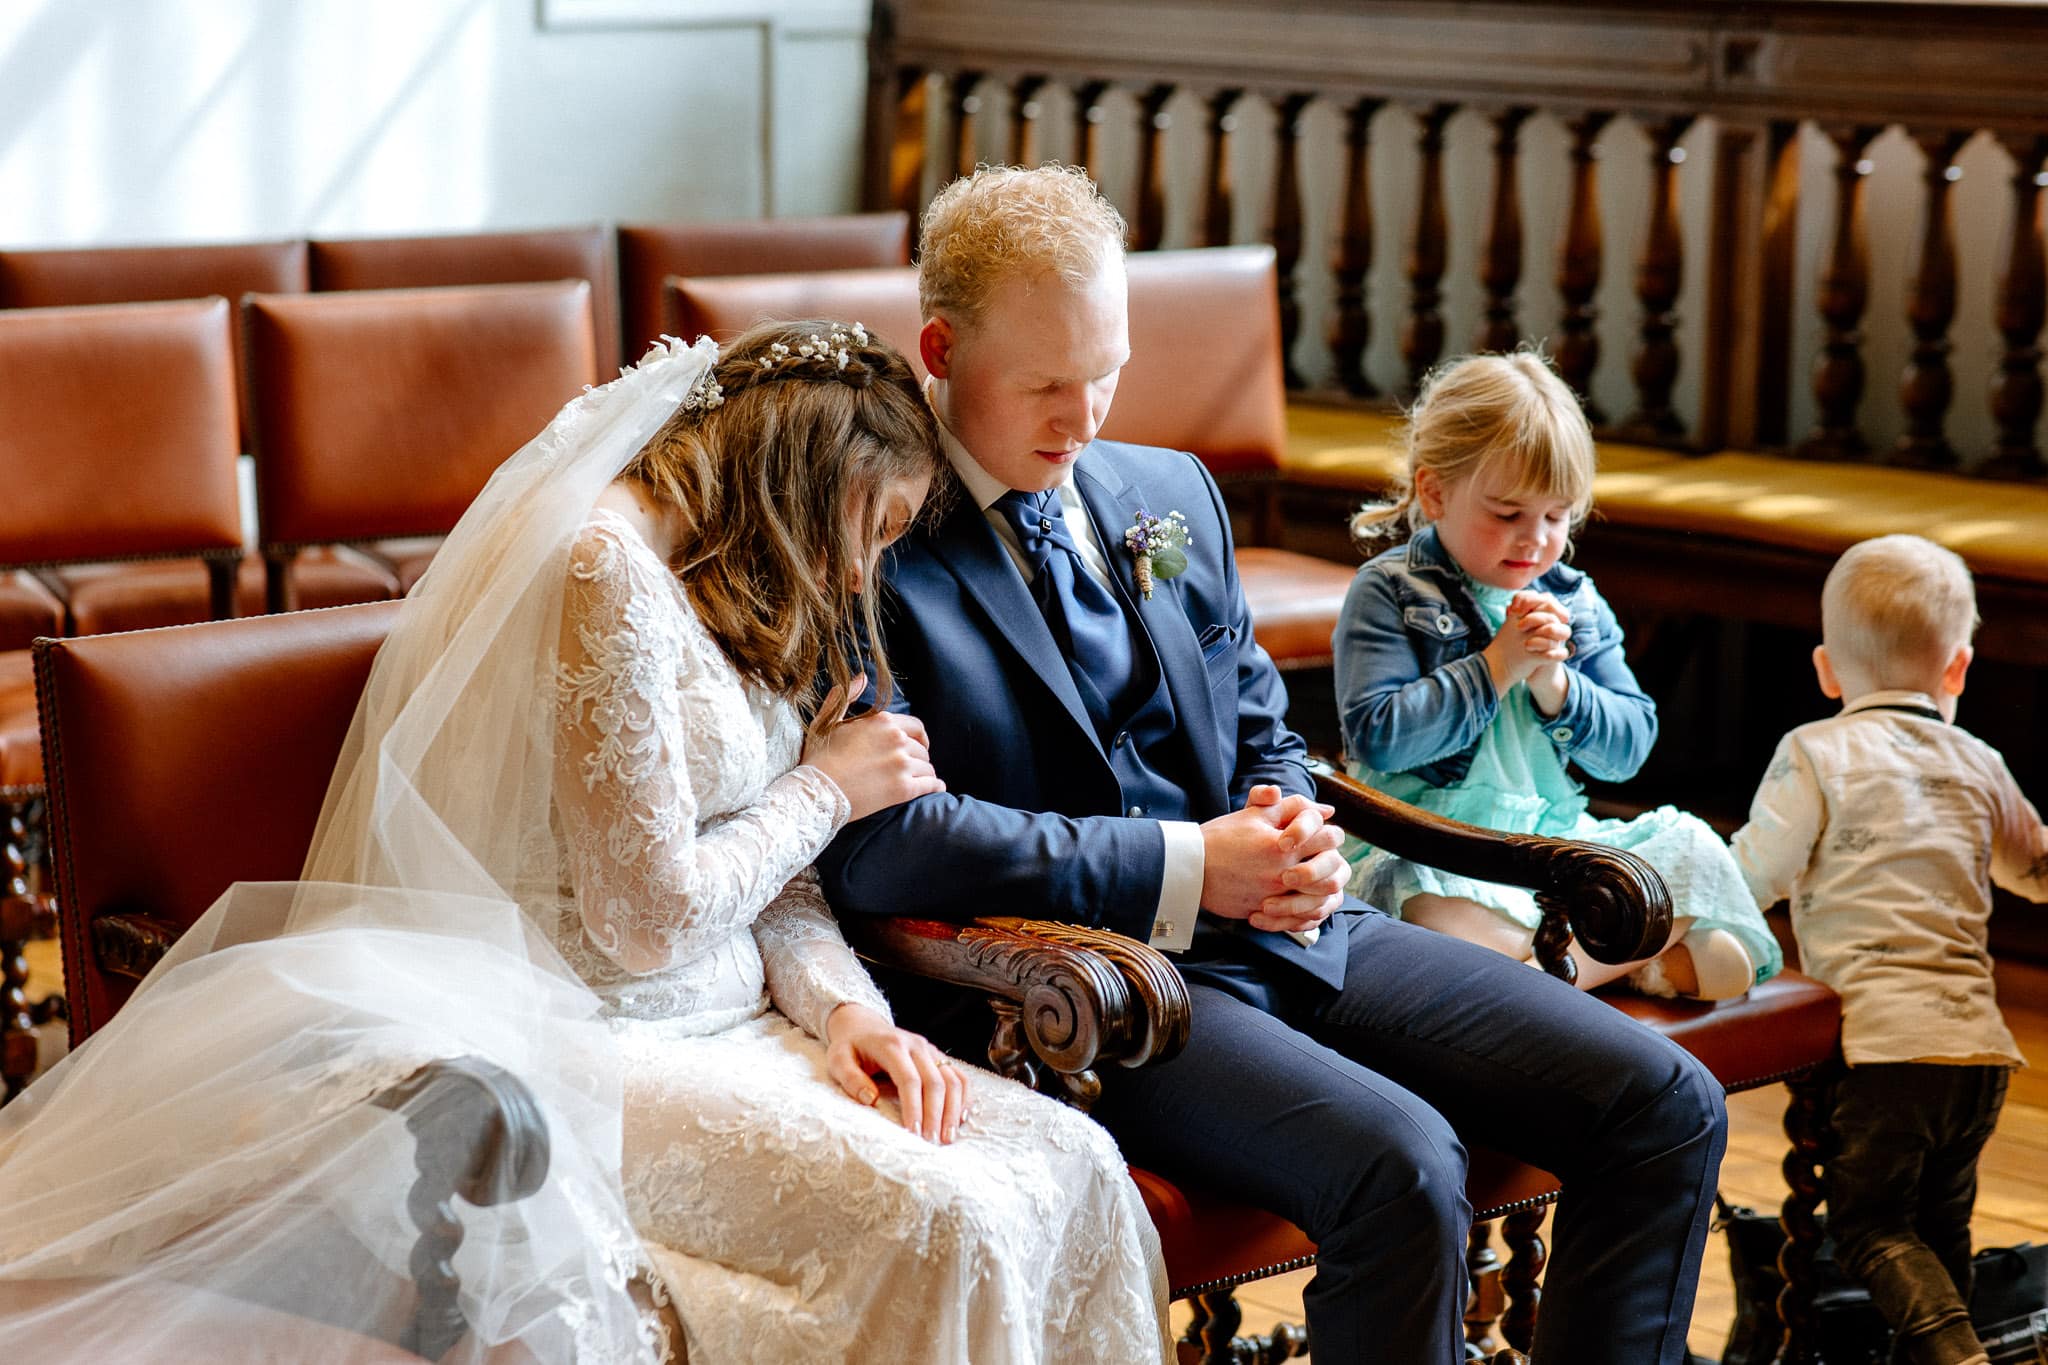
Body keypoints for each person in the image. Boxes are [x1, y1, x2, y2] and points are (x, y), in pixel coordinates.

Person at [0, 324, 1169, 1364]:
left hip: (750, 1024)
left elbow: (772, 882)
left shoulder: (730, 582)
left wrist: (848, 1014)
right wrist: (824, 788)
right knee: (945, 1219)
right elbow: (646, 917)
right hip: (586, 1037)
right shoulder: (601, 570)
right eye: (876, 527)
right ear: (809, 481)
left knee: (1069, 1163)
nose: (865, 570)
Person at [817, 162, 1727, 1365]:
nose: (1084, 421)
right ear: (939, 350)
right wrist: (1189, 864)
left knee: (1663, 1106)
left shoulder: (1163, 490)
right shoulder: (865, 537)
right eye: (1045, 385)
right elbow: (885, 845)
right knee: (1405, 1166)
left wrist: (1291, 832)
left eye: (1106, 373)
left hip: (1288, 928)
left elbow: (1259, 723)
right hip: (1082, 991)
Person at [1330, 351, 1782, 1000]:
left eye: (1555, 515)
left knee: (1696, 853)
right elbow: (1379, 735)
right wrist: (1496, 667)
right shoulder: (1390, 591)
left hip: (1554, 847)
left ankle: (1530, 989)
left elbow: (1629, 747)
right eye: (1507, 513)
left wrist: (1559, 689)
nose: (1535, 540)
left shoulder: (1576, 600)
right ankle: (1597, 968)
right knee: (1427, 905)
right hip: (1439, 841)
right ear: (1434, 493)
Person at [1731, 533, 2045, 1365]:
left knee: (1871, 1228)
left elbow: (1754, 873)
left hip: (1882, 1049)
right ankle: (1943, 1348)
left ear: (1828, 670)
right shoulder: (1978, 759)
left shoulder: (1816, 750)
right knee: (1942, 1233)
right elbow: (2038, 869)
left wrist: (1683, 912)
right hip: (1976, 1053)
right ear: (1958, 669)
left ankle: (1959, 1355)